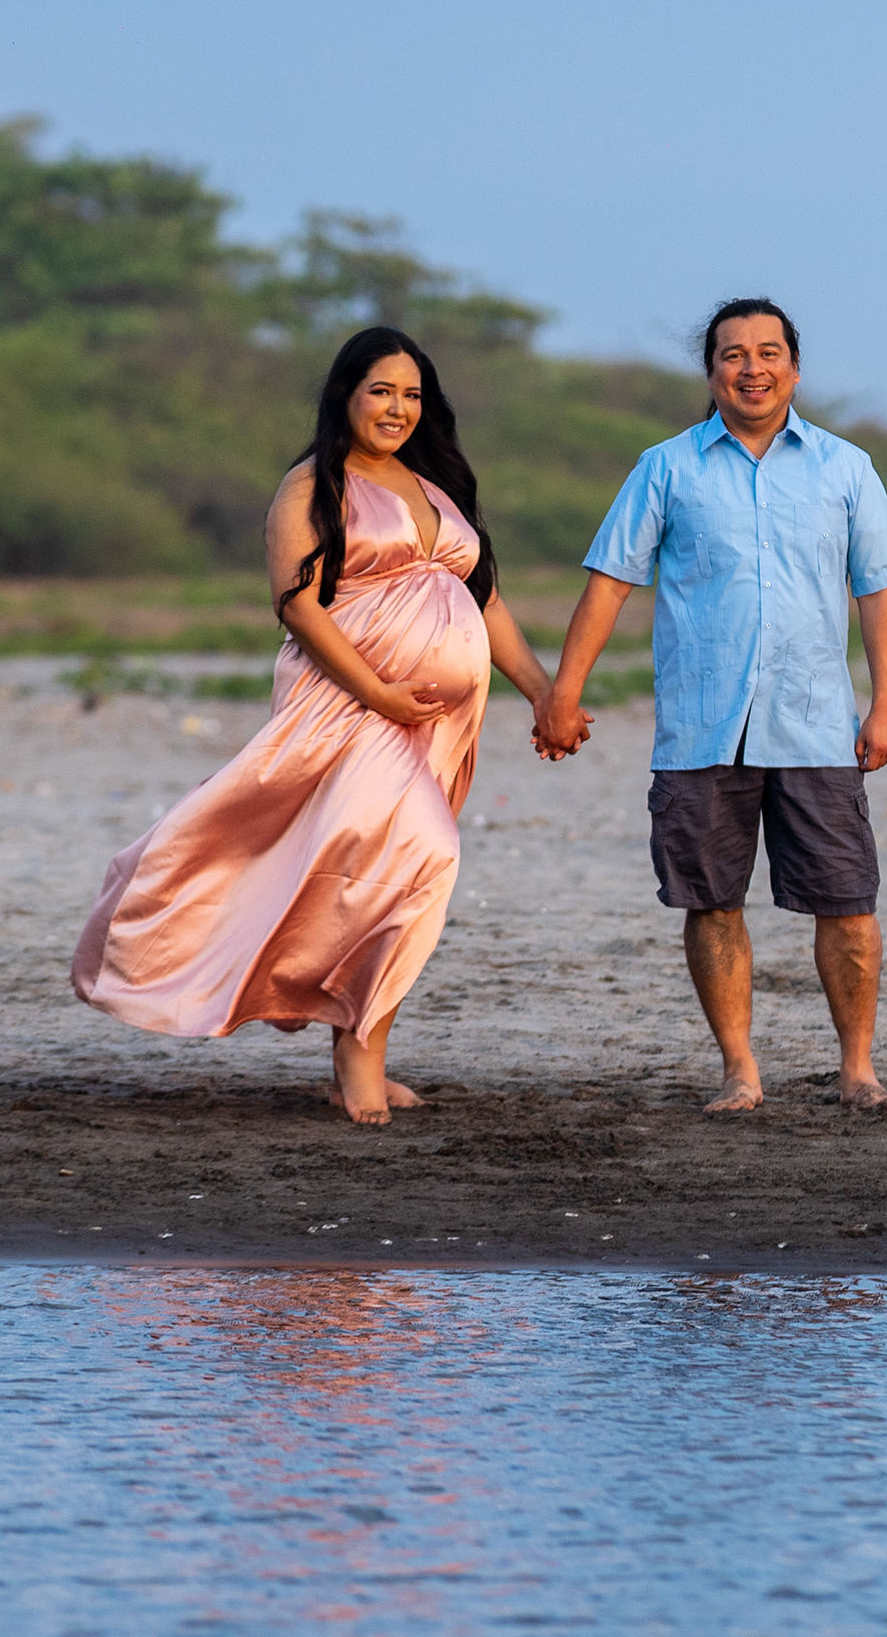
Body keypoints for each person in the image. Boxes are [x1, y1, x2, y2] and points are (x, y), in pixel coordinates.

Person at [70, 327, 563, 1124]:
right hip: (349, 708)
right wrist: (379, 693)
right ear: (345, 395)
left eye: (411, 395)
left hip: (435, 725)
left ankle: (357, 1043)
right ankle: (358, 1057)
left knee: (389, 876)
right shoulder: (311, 485)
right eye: (381, 391)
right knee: (422, 858)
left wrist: (542, 694)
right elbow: (297, 603)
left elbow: (487, 601)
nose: (398, 408)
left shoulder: (434, 485)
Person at [537, 298, 887, 1112]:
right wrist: (562, 693)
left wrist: (885, 705)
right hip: (701, 726)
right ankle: (740, 1071)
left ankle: (858, 1070)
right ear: (710, 372)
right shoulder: (666, 467)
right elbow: (610, 582)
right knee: (711, 900)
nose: (752, 368)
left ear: (794, 366)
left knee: (848, 903)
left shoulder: (844, 467)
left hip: (815, 723)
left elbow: (880, 590)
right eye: (732, 355)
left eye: (768, 352)